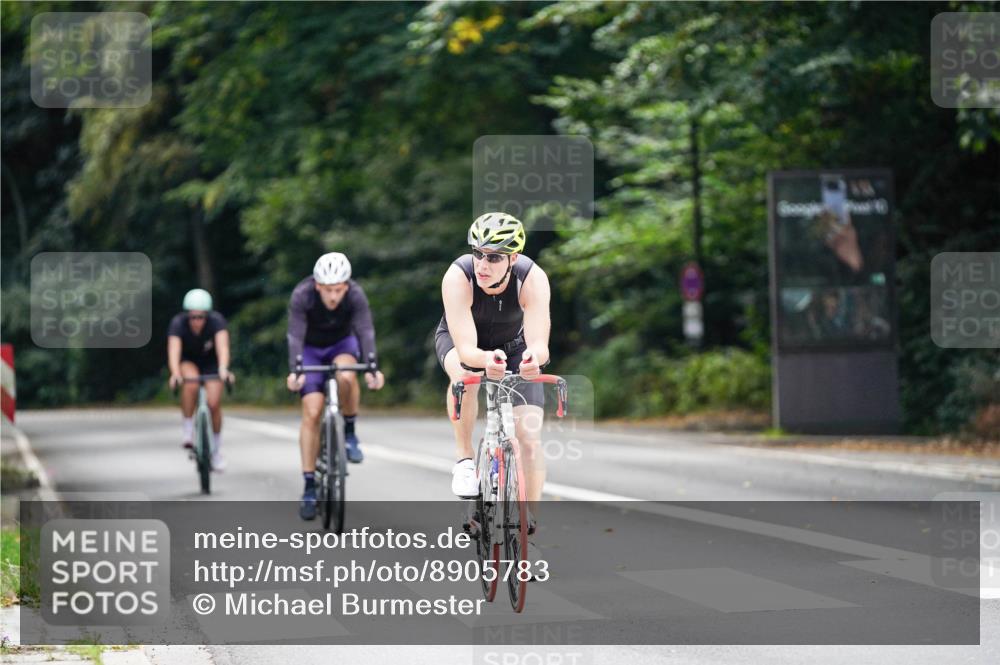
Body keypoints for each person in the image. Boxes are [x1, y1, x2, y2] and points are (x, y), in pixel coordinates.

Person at [436, 212, 551, 544]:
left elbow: (540, 344)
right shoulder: (458, 276)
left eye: (494, 257)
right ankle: (464, 459)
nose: (483, 264)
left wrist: (532, 360)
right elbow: (467, 349)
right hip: (463, 344)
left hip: (514, 348)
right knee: (464, 373)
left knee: (529, 438)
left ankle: (528, 524)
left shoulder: (532, 278)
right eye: (478, 253)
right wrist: (486, 360)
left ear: (513, 258)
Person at [286, 252, 385, 520]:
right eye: (328, 290)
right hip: (310, 350)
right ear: (317, 285)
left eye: (338, 290)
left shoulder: (355, 295)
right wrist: (295, 370)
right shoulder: (302, 295)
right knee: (312, 411)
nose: (333, 296)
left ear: (346, 286)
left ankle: (349, 432)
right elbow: (295, 334)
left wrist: (372, 367)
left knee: (347, 376)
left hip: (341, 345)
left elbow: (365, 330)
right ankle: (309, 486)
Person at [167, 288, 233, 471]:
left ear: (207, 315)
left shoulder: (217, 321)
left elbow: (223, 348)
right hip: (189, 362)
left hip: (211, 363)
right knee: (191, 382)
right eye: (193, 317)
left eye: (201, 317)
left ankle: (216, 450)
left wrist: (223, 369)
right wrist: (175, 373)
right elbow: (174, 350)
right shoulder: (178, 323)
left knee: (214, 404)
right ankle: (188, 429)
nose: (197, 321)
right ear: (187, 315)